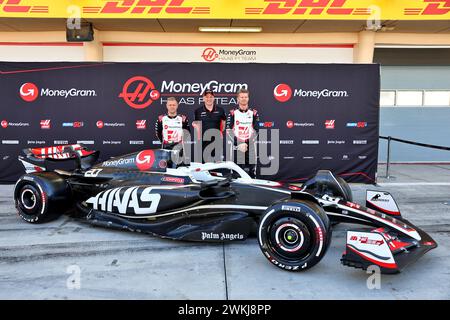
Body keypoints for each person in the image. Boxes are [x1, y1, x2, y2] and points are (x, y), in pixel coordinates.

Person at [226, 88, 260, 178]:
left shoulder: (254, 113)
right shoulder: (232, 113)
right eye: (241, 97)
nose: (244, 99)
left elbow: (256, 130)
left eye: (245, 97)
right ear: (238, 99)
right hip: (237, 146)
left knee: (252, 173)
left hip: (251, 146)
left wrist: (247, 143)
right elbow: (228, 131)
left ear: (248, 98)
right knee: (236, 173)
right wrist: (240, 144)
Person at [193, 89, 226, 163]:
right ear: (203, 98)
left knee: (216, 166)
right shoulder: (198, 111)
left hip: (217, 142)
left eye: (211, 97)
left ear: (214, 98)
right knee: (203, 166)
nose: (209, 99)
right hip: (203, 143)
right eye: (207, 97)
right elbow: (197, 127)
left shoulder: (221, 110)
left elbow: (223, 126)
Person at [155, 97, 190, 163]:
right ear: (167, 106)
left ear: (177, 105)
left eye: (174, 105)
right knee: (166, 168)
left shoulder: (183, 118)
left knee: (179, 168)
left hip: (179, 147)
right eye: (170, 105)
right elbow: (158, 133)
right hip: (166, 147)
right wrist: (164, 142)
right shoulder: (161, 118)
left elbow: (187, 133)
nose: (172, 107)